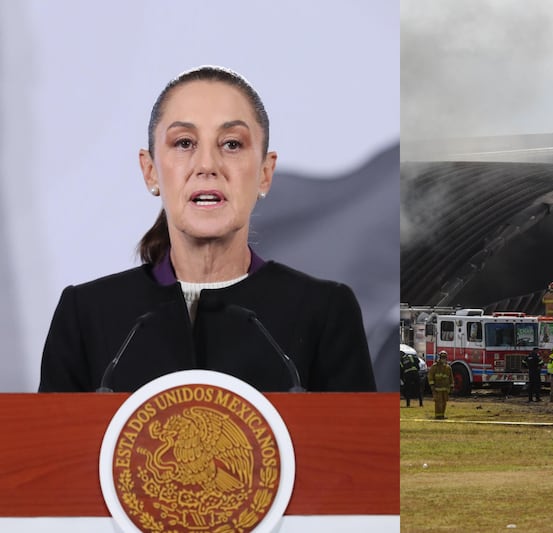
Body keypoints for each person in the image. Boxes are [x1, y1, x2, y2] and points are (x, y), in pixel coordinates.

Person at [38, 66, 376, 393]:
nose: (207, 166)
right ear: (150, 170)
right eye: (184, 143)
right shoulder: (86, 315)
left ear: (265, 173)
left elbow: (355, 448)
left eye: (231, 144)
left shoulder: (325, 312)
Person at [428, 351, 454, 419]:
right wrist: (432, 386)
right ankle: (437, 416)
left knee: (444, 403)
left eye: (444, 357)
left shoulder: (448, 368)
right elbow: (430, 376)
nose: (443, 359)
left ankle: (442, 415)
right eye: (442, 357)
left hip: (445, 389)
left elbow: (451, 377)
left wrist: (451, 386)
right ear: (439, 358)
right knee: (438, 403)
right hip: (437, 388)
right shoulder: (434, 367)